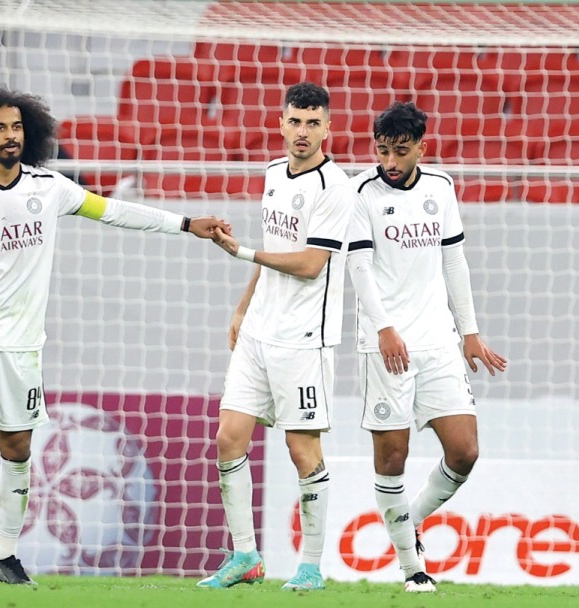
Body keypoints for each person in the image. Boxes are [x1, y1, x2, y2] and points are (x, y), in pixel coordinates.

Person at [0, 83, 228, 584]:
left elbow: (115, 212)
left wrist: (184, 223)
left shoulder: (49, 187)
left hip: (23, 344)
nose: (10, 136)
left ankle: (5, 554)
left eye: (17, 126)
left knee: (18, 448)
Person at [346, 101, 507, 593]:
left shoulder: (441, 187)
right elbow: (359, 268)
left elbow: (454, 262)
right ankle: (412, 568)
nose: (390, 162)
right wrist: (384, 329)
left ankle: (407, 521)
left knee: (464, 451)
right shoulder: (360, 191)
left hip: (438, 339)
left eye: (400, 151)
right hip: (386, 344)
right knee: (393, 457)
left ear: (421, 146)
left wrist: (470, 332)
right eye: (383, 151)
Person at [198, 82, 353, 591]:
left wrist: (241, 253)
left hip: (304, 339)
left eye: (313, 123)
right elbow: (274, 248)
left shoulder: (336, 187)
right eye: (295, 121)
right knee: (227, 438)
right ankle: (245, 556)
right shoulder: (271, 172)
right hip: (260, 331)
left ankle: (310, 566)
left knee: (301, 449)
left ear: (328, 128)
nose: (302, 132)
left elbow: (309, 264)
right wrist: (242, 307)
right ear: (281, 123)